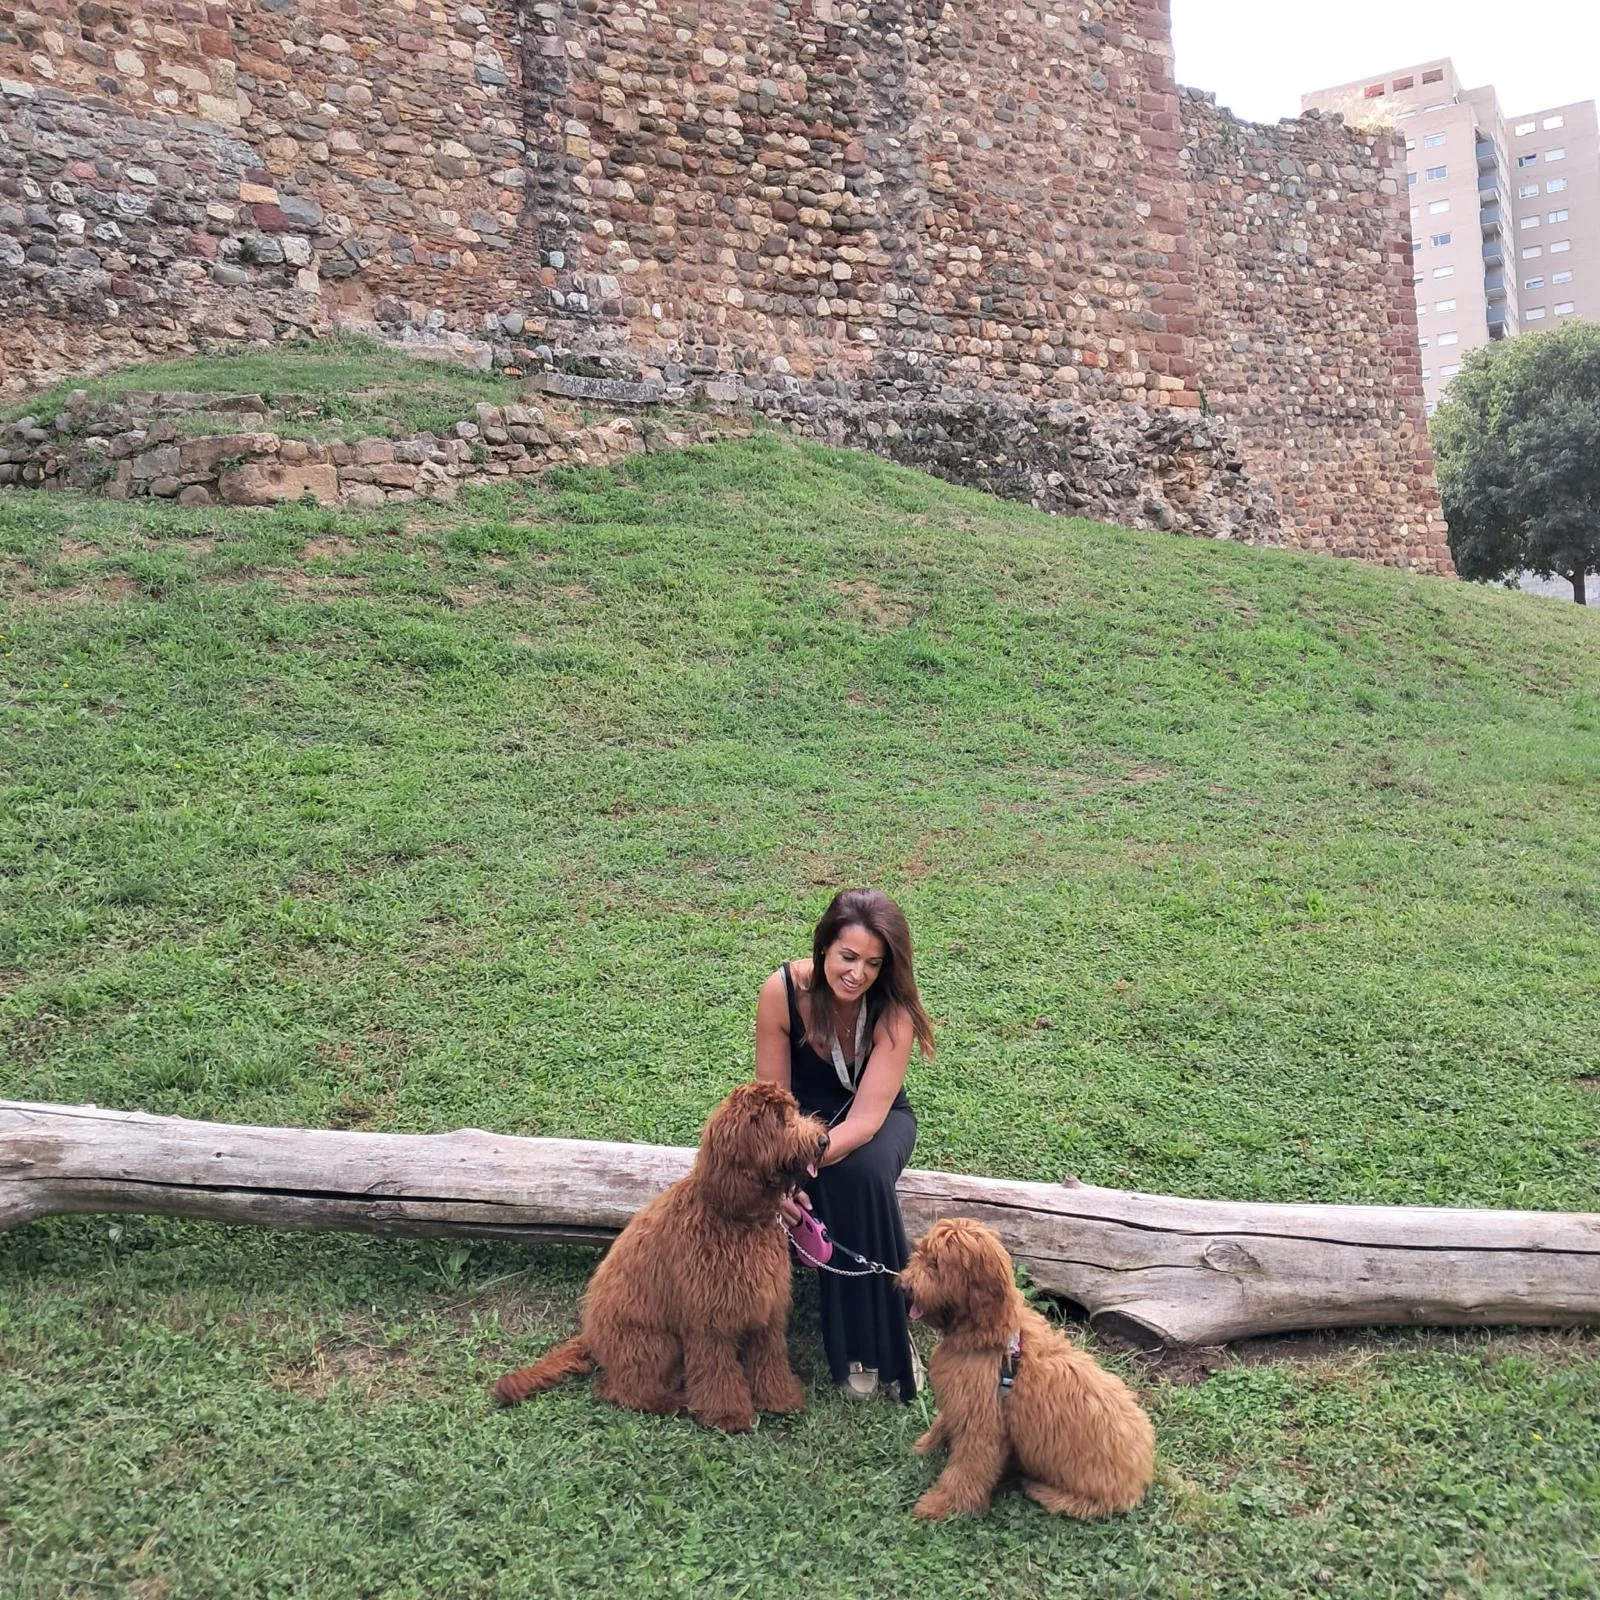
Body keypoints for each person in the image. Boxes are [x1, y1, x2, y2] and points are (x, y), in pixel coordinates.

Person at [754, 888, 935, 1401]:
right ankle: (854, 1339)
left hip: (874, 1118)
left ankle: (891, 1329)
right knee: (829, 1173)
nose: (858, 973)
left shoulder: (893, 1013)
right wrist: (779, 1171)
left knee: (862, 1172)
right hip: (801, 1116)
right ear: (824, 948)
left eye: (873, 964)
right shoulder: (782, 991)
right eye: (848, 957)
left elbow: (866, 1120)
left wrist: (805, 1165)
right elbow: (774, 1100)